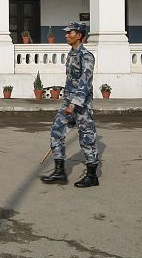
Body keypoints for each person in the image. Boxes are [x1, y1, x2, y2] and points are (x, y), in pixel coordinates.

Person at [40, 22, 100, 188]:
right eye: (66, 33)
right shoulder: (71, 54)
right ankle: (60, 172)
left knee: (87, 138)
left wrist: (74, 104)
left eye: (70, 33)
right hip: (68, 103)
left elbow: (85, 83)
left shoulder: (86, 56)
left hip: (81, 106)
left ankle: (92, 176)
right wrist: (67, 101)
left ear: (79, 35)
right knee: (56, 132)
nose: (66, 35)